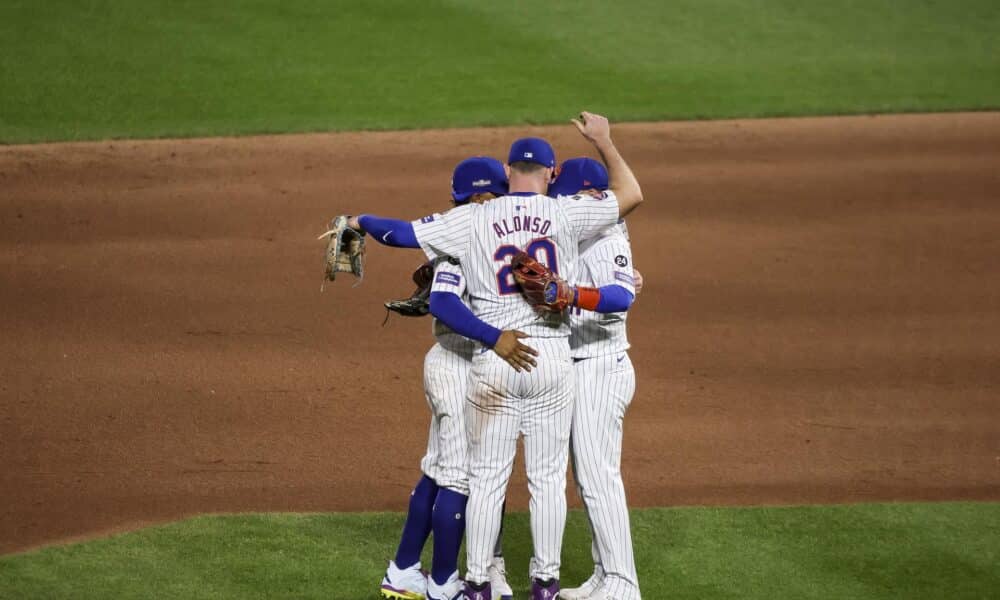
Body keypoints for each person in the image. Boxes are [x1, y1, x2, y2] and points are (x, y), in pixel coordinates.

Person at [350, 111, 643, 600]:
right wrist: (605, 142)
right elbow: (632, 194)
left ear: (508, 173)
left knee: (486, 478)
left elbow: (400, 233)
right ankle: (545, 585)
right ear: (551, 175)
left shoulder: (473, 217)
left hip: (495, 358)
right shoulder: (567, 212)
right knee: (548, 480)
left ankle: (480, 583)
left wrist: (359, 220)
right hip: (551, 357)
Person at [379, 157, 516, 600]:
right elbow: (442, 301)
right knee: (458, 478)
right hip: (459, 364)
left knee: (436, 472)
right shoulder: (470, 232)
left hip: (447, 360)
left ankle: (402, 571)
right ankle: (442, 584)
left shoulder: (459, 227)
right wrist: (495, 337)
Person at [550, 158, 642, 600]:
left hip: (600, 368)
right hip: (583, 366)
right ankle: (606, 574)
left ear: (588, 196)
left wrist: (572, 294)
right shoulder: (583, 235)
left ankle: (622, 584)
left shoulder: (604, 237)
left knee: (598, 476)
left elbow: (621, 296)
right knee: (589, 477)